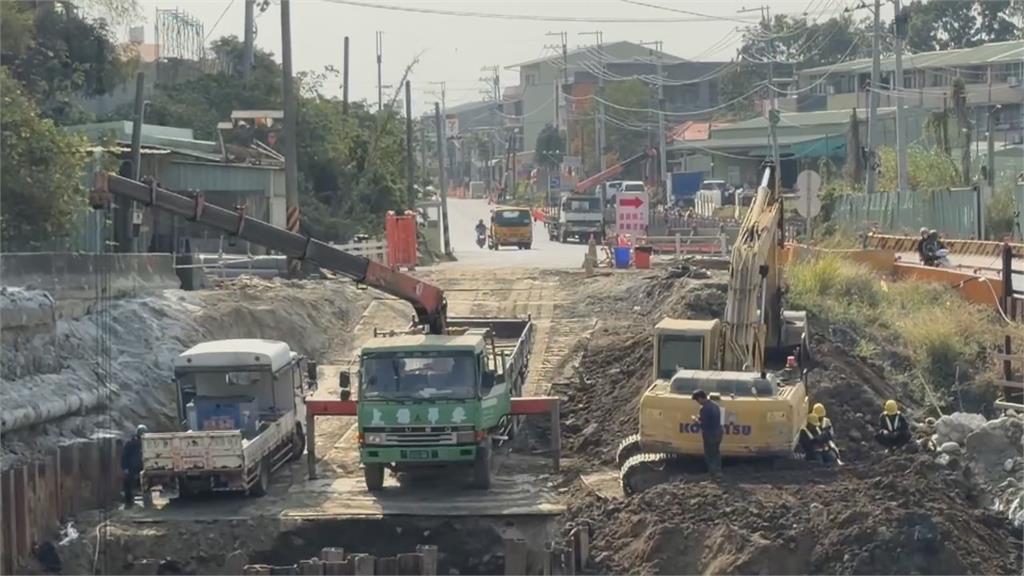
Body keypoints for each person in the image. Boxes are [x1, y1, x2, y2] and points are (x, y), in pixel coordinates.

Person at [690, 389, 723, 476]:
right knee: (716, 452)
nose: (697, 402)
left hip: (710, 434)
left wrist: (695, 420)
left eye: (697, 400)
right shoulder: (715, 405)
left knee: (709, 454)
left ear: (701, 398)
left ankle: (712, 473)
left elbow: (703, 425)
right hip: (718, 432)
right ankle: (718, 470)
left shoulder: (704, 409)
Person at [122, 424, 147, 508]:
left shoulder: (148, 442)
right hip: (132, 467)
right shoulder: (131, 442)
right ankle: (128, 502)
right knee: (127, 484)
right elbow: (124, 456)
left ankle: (147, 501)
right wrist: (125, 468)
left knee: (146, 485)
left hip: (145, 466)